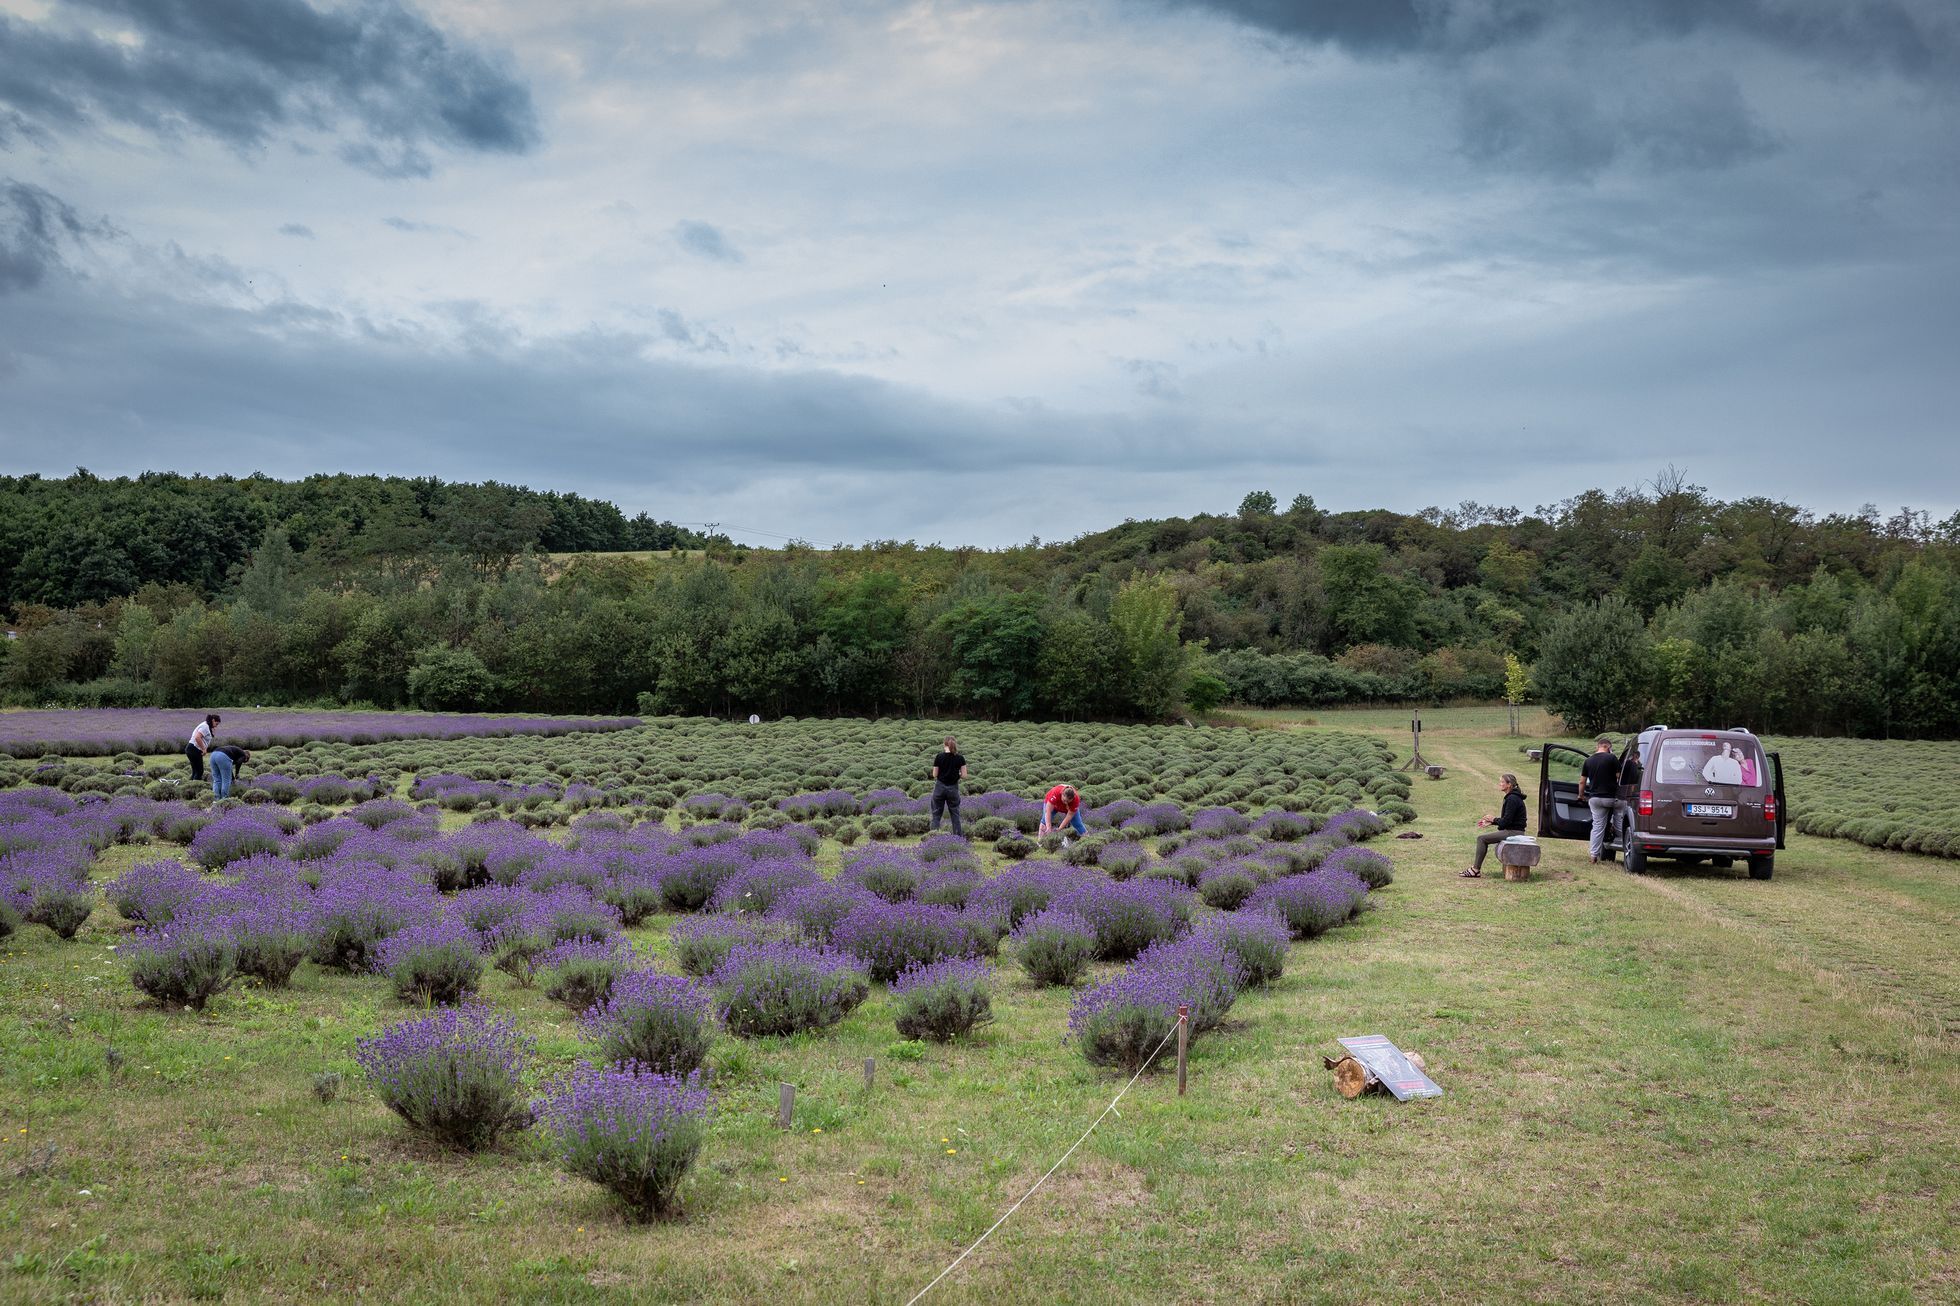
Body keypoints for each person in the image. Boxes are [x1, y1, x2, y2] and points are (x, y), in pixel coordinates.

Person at [1462, 774, 1528, 877]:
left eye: (1502, 782)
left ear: (1509, 784)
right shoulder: (1512, 797)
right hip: (1512, 830)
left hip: (1514, 832)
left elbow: (1506, 822)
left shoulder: (1512, 799)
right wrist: (1492, 822)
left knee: (1481, 839)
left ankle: (1475, 870)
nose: (1500, 784)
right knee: (1482, 838)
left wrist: (1493, 819)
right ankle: (1475, 869)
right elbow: (1507, 821)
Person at [1578, 736, 1622, 865]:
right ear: (1608, 747)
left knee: (1597, 826)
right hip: (1612, 798)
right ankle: (1624, 846)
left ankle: (1593, 856)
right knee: (1620, 819)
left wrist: (1580, 796)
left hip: (1595, 799)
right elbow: (1619, 778)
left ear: (1598, 746)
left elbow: (1582, 781)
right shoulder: (1612, 758)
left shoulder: (1588, 760)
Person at [928, 735, 967, 837]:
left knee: (936, 815)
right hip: (953, 788)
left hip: (939, 788)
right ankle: (958, 838)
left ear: (944, 744)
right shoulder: (960, 758)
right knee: (955, 815)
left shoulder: (939, 757)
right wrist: (955, 774)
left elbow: (935, 775)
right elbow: (964, 775)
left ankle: (933, 839)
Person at [185, 713, 220, 782]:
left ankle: (190, 786)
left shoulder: (206, 725)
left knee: (195, 771)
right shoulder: (205, 727)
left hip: (191, 749)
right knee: (199, 771)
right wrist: (203, 749)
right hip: (194, 749)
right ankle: (195, 787)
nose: (216, 726)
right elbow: (197, 737)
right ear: (213, 720)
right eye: (216, 724)